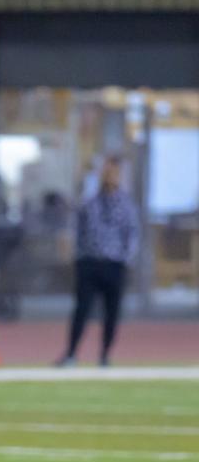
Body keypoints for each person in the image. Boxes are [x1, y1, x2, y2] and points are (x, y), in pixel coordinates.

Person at [56, 156, 140, 367]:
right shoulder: (89, 202)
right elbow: (76, 229)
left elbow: (132, 233)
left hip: (114, 264)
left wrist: (126, 258)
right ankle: (72, 354)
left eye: (113, 173)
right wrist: (76, 256)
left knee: (112, 312)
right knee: (81, 310)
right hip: (89, 263)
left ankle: (104, 355)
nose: (109, 177)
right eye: (106, 172)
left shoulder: (126, 204)